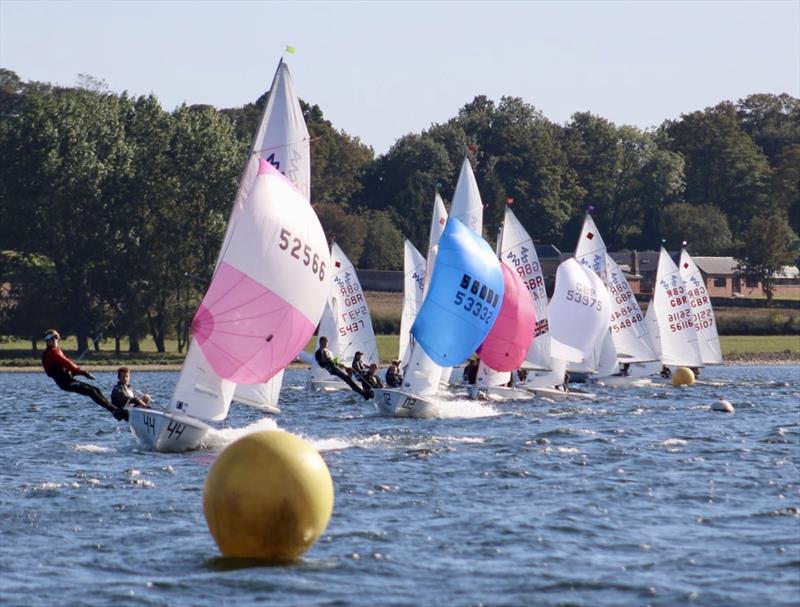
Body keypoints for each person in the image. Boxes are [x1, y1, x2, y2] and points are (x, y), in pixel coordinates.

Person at [41, 329, 127, 421]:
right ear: (47, 341)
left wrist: (72, 372)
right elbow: (68, 363)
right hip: (66, 383)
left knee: (96, 390)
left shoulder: (55, 351)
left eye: (56, 338)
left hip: (69, 381)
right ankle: (114, 411)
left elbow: (65, 367)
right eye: (52, 339)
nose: (54, 340)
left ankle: (115, 409)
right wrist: (84, 373)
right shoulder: (52, 353)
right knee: (91, 391)